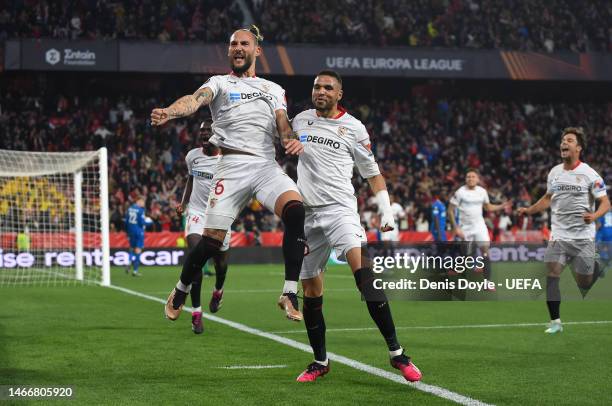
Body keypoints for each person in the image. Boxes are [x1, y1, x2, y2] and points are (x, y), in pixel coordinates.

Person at [151, 25, 306, 322]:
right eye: (233, 44)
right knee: (211, 242)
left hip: (264, 165)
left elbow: (282, 122)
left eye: (244, 44)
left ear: (256, 50)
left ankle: (288, 293)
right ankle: (181, 289)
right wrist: (170, 112)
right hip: (230, 167)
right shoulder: (220, 82)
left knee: (296, 210)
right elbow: (195, 100)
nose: (237, 48)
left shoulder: (273, 89)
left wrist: (289, 140)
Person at [291, 70, 421, 383]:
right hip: (307, 215)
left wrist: (386, 209)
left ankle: (397, 354)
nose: (320, 91)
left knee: (366, 275)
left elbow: (372, 173)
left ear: (340, 94)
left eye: (328, 87)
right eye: (316, 86)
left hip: (341, 211)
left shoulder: (354, 128)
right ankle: (320, 361)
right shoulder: (299, 120)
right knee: (311, 291)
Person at [518, 127, 610, 334]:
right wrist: (529, 210)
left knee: (583, 282)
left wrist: (594, 216)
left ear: (579, 148)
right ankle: (555, 322)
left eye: (569, 140)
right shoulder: (555, 173)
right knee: (552, 274)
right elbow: (548, 198)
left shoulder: (590, 174)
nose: (564, 143)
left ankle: (596, 267)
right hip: (558, 235)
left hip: (583, 237)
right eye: (563, 140)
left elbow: (605, 203)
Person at [176, 119, 231, 334]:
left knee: (221, 265)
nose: (204, 134)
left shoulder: (228, 159)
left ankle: (218, 290)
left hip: (220, 216)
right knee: (196, 257)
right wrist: (184, 203)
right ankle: (196, 312)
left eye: (209, 130)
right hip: (197, 214)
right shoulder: (193, 156)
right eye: (202, 131)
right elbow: (191, 180)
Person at [448, 169, 511, 286]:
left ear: (477, 179)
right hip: (465, 227)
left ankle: (488, 282)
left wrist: (501, 206)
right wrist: (456, 228)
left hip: (479, 226)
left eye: (473, 177)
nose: (470, 179)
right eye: (468, 177)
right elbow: (450, 211)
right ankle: (458, 267)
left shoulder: (482, 192)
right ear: (465, 179)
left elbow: (488, 208)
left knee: (485, 252)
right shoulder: (460, 192)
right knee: (467, 254)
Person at [125, 198, 146, 277]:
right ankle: (135, 271)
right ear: (139, 201)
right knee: (138, 250)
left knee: (131, 248)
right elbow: (142, 223)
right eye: (143, 202)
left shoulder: (129, 209)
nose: (144, 204)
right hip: (138, 232)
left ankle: (129, 261)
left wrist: (127, 232)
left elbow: (126, 221)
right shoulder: (140, 210)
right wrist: (149, 222)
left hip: (130, 231)